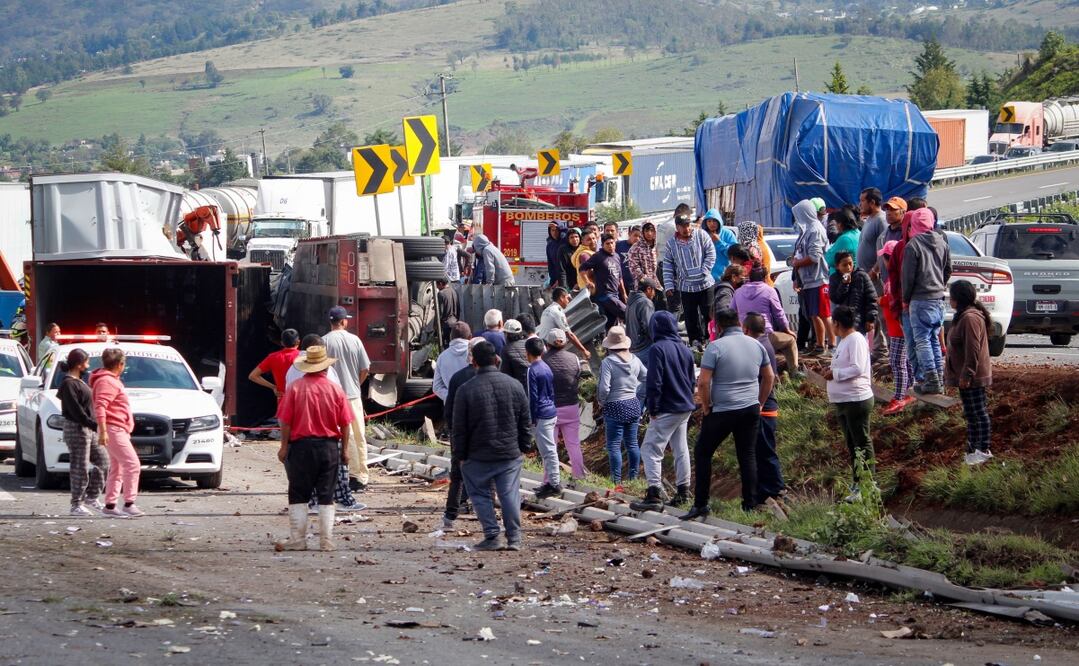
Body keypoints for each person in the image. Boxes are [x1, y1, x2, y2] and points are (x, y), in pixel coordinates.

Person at [682, 308, 774, 519]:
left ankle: (701, 504)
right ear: (739, 324)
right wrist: (759, 402)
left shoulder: (715, 347)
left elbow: (703, 382)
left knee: (703, 452)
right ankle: (750, 504)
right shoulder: (756, 345)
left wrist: (706, 406)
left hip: (723, 409)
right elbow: (769, 377)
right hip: (750, 408)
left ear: (719, 326)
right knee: (747, 454)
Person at [453, 341, 532, 551]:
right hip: (509, 453)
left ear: (473, 362)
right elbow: (525, 420)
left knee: (479, 494)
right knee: (509, 494)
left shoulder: (465, 390)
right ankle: (514, 538)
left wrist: (460, 455)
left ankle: (492, 535)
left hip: (477, 455)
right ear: (497, 360)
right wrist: (525, 446)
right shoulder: (515, 385)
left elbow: (459, 428)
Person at [275, 346, 354, 551]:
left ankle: (298, 540)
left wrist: (284, 447)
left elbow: (285, 422)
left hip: (301, 448)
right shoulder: (336, 390)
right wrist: (345, 450)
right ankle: (326, 541)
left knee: (298, 492)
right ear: (325, 369)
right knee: (327, 494)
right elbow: (345, 423)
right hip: (329, 448)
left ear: (306, 367)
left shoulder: (294, 388)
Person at [285, 334, 363, 514]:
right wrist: (344, 449)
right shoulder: (332, 385)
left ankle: (312, 504)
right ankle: (340, 503)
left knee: (306, 476)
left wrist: (284, 445)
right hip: (328, 439)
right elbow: (344, 419)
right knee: (332, 479)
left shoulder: (294, 378)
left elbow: (285, 418)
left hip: (301, 438)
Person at [629, 311, 696, 512]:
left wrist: (653, 407)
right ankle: (683, 491)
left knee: (650, 449)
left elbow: (654, 381)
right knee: (680, 448)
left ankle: (654, 494)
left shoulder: (657, 349)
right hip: (685, 406)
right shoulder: (685, 349)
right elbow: (692, 379)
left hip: (666, 406)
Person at [822, 306, 874, 501]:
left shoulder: (856, 339)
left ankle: (868, 484)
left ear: (836, 323)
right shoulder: (844, 341)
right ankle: (858, 482)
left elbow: (858, 368)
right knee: (852, 444)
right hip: (844, 400)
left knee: (861, 442)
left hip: (856, 399)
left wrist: (835, 374)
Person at [901, 207, 951, 394]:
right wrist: (940, 285)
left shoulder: (913, 246)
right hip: (938, 299)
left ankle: (930, 379)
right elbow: (948, 269)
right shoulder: (942, 242)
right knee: (934, 340)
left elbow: (908, 278)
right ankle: (938, 378)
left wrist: (906, 298)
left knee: (922, 340)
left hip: (920, 299)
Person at [945, 280, 994, 466]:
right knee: (971, 414)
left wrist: (967, 374)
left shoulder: (970, 318)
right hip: (965, 377)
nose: (950, 299)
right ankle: (973, 450)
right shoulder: (963, 316)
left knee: (978, 413)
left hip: (972, 377)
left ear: (958, 299)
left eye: (952, 296)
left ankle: (983, 449)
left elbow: (972, 350)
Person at [322, 306, 371, 492]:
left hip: (331, 397)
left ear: (331, 322)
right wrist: (356, 384)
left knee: (334, 437)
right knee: (357, 435)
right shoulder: (355, 340)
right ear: (343, 322)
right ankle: (360, 476)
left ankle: (337, 475)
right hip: (352, 395)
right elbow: (365, 368)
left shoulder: (324, 341)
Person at [441, 336, 485, 529]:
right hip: (483, 432)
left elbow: (449, 408)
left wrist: (452, 430)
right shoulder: (492, 377)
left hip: (460, 432)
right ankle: (482, 510)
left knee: (458, 472)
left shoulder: (458, 378)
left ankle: (452, 511)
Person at [59, 348, 109, 517]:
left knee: (103, 460)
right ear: (80, 364)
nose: (88, 365)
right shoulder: (68, 383)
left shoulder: (80, 381)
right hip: (77, 428)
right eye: (87, 362)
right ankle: (76, 504)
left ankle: (92, 497)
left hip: (88, 428)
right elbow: (76, 411)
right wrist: (95, 425)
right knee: (80, 467)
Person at [91, 348, 141, 518]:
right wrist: (104, 431)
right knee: (132, 464)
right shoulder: (108, 381)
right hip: (113, 428)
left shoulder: (108, 380)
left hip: (116, 428)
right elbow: (100, 406)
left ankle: (111, 505)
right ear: (120, 364)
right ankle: (129, 503)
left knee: (118, 467)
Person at [596, 326, 647, 486]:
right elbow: (646, 377)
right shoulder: (635, 359)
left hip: (614, 406)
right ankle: (633, 478)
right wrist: (638, 393)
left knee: (613, 445)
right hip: (633, 404)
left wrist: (601, 401)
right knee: (632, 443)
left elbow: (604, 388)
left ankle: (616, 481)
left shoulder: (608, 362)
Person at [742, 313, 785, 502]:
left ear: (746, 329)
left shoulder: (759, 347)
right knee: (761, 450)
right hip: (765, 405)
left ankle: (774, 488)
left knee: (765, 450)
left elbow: (770, 378)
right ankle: (767, 487)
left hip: (764, 407)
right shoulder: (765, 344)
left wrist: (759, 403)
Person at [733, 265, 800, 376]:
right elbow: (779, 314)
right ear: (765, 277)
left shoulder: (738, 292)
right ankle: (794, 372)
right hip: (764, 335)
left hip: (744, 335)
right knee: (791, 340)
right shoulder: (769, 290)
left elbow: (732, 312)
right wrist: (787, 330)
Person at [663, 208, 716, 347]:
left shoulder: (701, 235)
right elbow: (668, 266)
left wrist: (704, 271)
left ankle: (710, 339)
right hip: (686, 286)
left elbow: (711, 253)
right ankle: (695, 342)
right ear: (677, 227)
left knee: (708, 314)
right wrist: (669, 285)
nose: (686, 228)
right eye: (683, 226)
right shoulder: (671, 244)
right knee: (690, 316)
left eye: (688, 225)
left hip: (705, 284)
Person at [543, 328, 586, 478]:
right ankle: (579, 475)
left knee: (550, 446)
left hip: (550, 409)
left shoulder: (542, 360)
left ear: (547, 344)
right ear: (565, 343)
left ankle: (549, 479)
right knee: (573, 444)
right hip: (571, 407)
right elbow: (578, 376)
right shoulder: (574, 358)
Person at [877, 242, 915, 414]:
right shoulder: (898, 276)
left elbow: (894, 302)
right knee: (905, 361)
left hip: (898, 328)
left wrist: (882, 301)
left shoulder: (895, 280)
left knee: (897, 362)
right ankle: (909, 390)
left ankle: (899, 396)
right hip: (899, 327)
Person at [789, 199, 830, 355]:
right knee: (813, 314)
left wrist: (797, 263)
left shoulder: (815, 230)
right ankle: (819, 344)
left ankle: (828, 345)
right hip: (807, 279)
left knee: (821, 314)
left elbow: (814, 256)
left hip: (817, 278)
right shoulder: (807, 229)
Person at [526, 337, 561, 495]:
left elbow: (532, 396)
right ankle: (550, 482)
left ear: (527, 353)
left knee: (548, 451)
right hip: (550, 410)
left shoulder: (532, 369)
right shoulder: (546, 366)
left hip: (541, 413)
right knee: (548, 450)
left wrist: (532, 419)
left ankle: (554, 483)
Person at [580, 233, 628, 328]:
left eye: (612, 243)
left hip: (615, 295)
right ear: (602, 245)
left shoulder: (617, 256)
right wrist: (587, 281)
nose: (610, 245)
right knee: (628, 313)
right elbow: (582, 269)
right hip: (605, 295)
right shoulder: (598, 256)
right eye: (607, 244)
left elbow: (620, 277)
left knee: (611, 325)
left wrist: (624, 294)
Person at [829, 252, 878, 336]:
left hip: (859, 321)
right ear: (837, 266)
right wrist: (844, 284)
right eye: (844, 265)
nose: (848, 267)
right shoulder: (835, 278)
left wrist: (870, 319)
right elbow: (835, 298)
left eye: (850, 264)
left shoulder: (861, 276)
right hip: (842, 322)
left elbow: (872, 298)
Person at [536, 287, 591, 358]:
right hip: (549, 348)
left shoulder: (548, 309)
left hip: (543, 345)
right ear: (562, 298)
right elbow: (569, 334)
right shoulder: (557, 312)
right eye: (567, 298)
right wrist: (584, 350)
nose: (568, 301)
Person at [248, 329, 301, 401]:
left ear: (282, 343)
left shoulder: (273, 357)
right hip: (300, 400)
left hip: (283, 401)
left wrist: (273, 387)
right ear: (298, 342)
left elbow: (252, 376)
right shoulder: (303, 357)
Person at [433, 322, 472, 402]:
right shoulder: (475, 353)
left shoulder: (442, 357)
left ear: (451, 337)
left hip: (452, 406)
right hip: (473, 403)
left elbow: (436, 387)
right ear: (470, 337)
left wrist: (451, 397)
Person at [872, 197, 908, 283]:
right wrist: (874, 271)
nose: (888, 213)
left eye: (893, 209)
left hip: (901, 283)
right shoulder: (884, 234)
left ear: (903, 212)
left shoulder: (906, 234)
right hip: (886, 283)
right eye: (887, 209)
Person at [626, 278, 657, 367]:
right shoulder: (645, 303)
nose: (654, 294)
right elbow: (649, 328)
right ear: (649, 289)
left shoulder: (631, 300)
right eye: (654, 290)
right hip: (644, 348)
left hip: (632, 349)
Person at [856, 187, 886, 273]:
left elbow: (886, 250)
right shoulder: (870, 218)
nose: (860, 204)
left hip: (873, 278)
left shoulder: (881, 220)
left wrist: (874, 271)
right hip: (863, 275)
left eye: (862, 201)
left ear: (872, 202)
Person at [703, 210, 736, 280]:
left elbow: (734, 255)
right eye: (709, 221)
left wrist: (719, 242)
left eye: (714, 221)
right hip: (707, 279)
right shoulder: (703, 235)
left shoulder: (728, 234)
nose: (712, 224)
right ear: (705, 223)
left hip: (725, 276)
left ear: (719, 221)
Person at [825, 208, 861, 274]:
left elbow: (830, 260)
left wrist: (828, 252)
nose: (835, 226)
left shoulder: (846, 239)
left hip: (843, 278)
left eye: (835, 223)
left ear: (840, 224)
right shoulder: (857, 232)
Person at [500, 319, 530, 388]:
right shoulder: (528, 343)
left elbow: (505, 374)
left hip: (517, 386)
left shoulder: (506, 350)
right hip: (531, 382)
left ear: (507, 334)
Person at [628, 222, 658, 287]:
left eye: (651, 230)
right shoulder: (635, 248)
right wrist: (647, 281)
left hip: (658, 285)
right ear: (642, 232)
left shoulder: (657, 246)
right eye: (646, 230)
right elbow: (634, 268)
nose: (649, 233)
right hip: (643, 286)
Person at [436, 278, 459, 343]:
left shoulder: (441, 293)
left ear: (440, 284)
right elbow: (458, 308)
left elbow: (440, 312)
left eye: (437, 285)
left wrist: (436, 325)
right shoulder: (454, 291)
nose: (437, 287)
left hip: (445, 325)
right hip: (455, 322)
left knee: (445, 345)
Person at [545, 221, 565, 288]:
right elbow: (550, 265)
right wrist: (553, 281)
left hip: (566, 278)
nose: (554, 233)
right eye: (552, 230)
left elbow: (568, 231)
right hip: (555, 279)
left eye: (557, 230)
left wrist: (560, 280)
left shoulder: (565, 242)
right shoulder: (550, 245)